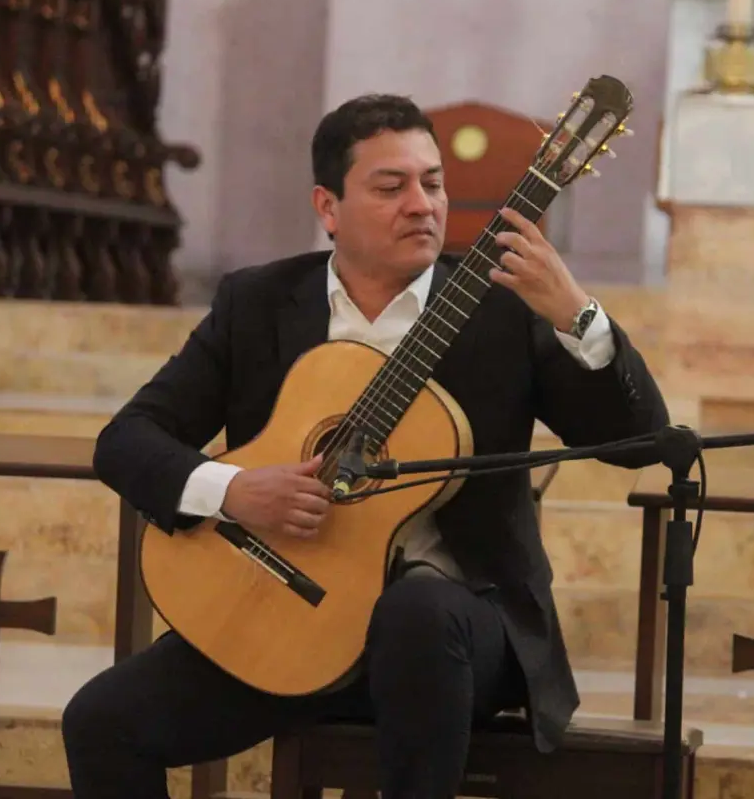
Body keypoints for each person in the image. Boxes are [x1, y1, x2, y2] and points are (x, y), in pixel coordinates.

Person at [62, 93, 670, 798]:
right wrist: (234, 492)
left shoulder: (504, 312)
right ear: (328, 207)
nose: (422, 205)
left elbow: (640, 443)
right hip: (295, 612)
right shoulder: (258, 303)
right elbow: (127, 441)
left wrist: (578, 315)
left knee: (415, 611)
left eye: (433, 182)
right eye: (391, 187)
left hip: (457, 634)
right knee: (101, 722)